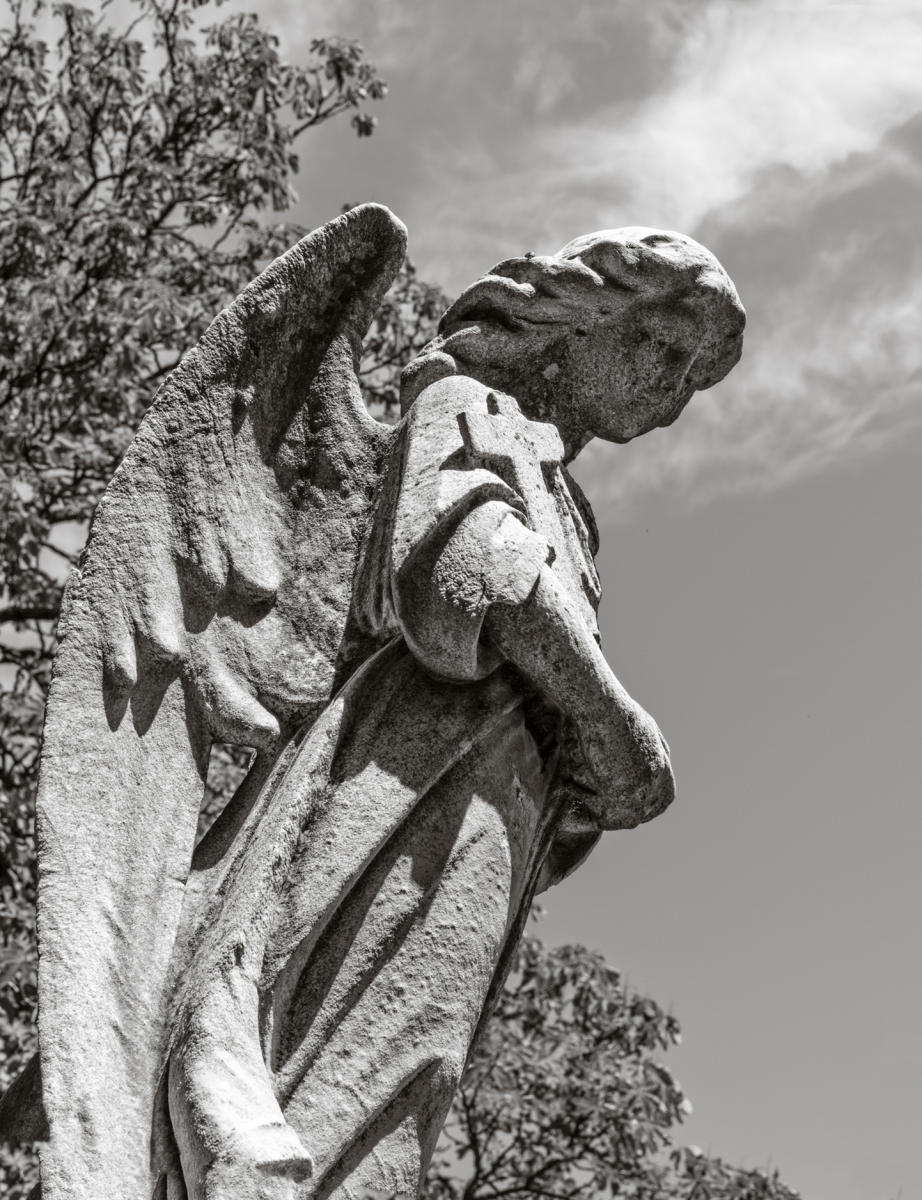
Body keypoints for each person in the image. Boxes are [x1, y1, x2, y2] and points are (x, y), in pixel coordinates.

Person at [160, 226, 745, 1200]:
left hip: (486, 820)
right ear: (575, 317)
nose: (671, 388)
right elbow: (462, 569)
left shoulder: (567, 503)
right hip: (397, 790)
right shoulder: (467, 404)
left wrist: (591, 775)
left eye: (693, 376)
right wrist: (609, 716)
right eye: (661, 345)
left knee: (412, 1076)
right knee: (347, 1061)